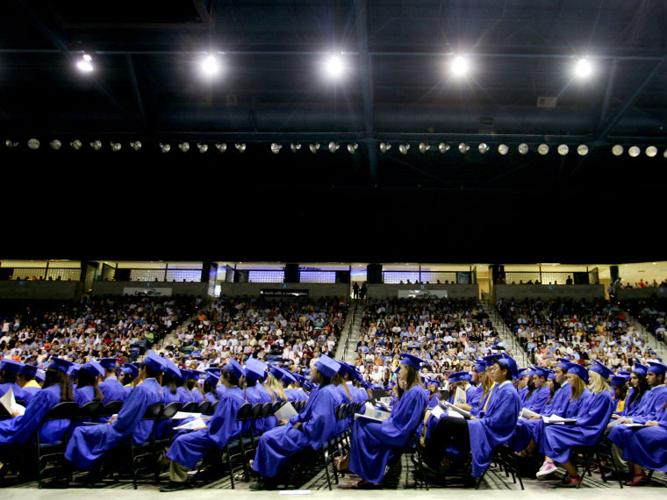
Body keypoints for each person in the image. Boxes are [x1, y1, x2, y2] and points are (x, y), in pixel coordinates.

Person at [422, 353, 521, 480]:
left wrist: (479, 420)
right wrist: (477, 417)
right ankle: (447, 462)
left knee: (447, 422)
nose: (492, 371)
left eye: (495, 369)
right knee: (447, 420)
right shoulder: (500, 389)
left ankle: (432, 463)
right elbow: (488, 413)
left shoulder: (509, 392)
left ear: (504, 371)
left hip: (492, 432)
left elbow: (499, 422)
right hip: (485, 425)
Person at [64, 351, 165, 472]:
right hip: (146, 431)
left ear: (144, 369)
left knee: (79, 430)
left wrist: (116, 420)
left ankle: (74, 468)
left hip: (130, 432)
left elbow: (124, 421)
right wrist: (118, 416)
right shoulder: (158, 389)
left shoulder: (142, 389)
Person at [251, 355, 340, 489]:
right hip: (310, 431)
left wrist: (301, 425)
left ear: (320, 375)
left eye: (313, 371)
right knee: (273, 433)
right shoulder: (324, 389)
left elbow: (319, 422)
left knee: (268, 437)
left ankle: (269, 479)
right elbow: (307, 414)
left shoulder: (325, 393)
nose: (310, 373)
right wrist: (294, 420)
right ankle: (276, 473)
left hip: (311, 436)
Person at [341, 353, 429, 488]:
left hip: (398, 433)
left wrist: (386, 422)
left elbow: (405, 422)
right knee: (363, 422)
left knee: (360, 424)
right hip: (396, 428)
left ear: (409, 370)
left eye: (402, 368)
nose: (399, 372)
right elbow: (399, 415)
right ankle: (367, 471)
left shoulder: (415, 392)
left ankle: (365, 471)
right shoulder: (413, 390)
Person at [160, 358, 245, 492]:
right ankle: (210, 467)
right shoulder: (237, 393)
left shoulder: (229, 396)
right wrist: (209, 420)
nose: (219, 379)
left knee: (182, 440)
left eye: (221, 376)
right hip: (232, 431)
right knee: (188, 431)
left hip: (220, 433)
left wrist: (206, 425)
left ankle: (177, 479)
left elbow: (220, 423)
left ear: (227, 377)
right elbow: (222, 418)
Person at [531, 361, 613, 485]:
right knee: (551, 430)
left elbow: (591, 419)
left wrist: (571, 422)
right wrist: (569, 421)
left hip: (589, 432)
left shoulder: (603, 396)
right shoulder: (595, 395)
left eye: (591, 377)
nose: (588, 379)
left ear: (598, 378)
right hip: (582, 427)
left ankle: (554, 464)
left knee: (551, 431)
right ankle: (566, 471)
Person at [0, 358, 74, 473]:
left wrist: (15, 419)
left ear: (49, 375)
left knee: (4, 427)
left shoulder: (46, 393)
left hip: (45, 434)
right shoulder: (67, 392)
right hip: (63, 431)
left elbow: (29, 421)